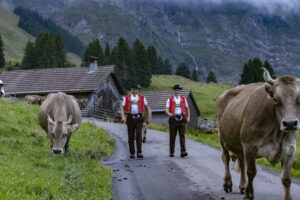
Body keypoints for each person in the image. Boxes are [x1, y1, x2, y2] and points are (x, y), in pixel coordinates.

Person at [121, 84, 151, 159]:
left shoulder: (142, 98)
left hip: (139, 118)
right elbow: (122, 107)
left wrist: (148, 118)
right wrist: (123, 117)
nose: (135, 91)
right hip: (130, 118)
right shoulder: (127, 98)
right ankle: (132, 153)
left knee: (138, 134)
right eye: (134, 89)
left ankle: (139, 152)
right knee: (130, 135)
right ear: (131, 90)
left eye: (136, 89)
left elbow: (147, 108)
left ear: (138, 90)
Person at [165, 84, 190, 157]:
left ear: (180, 91)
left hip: (182, 118)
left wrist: (188, 117)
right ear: (173, 91)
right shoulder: (169, 99)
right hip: (173, 119)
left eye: (178, 90)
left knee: (182, 135)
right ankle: (171, 151)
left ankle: (183, 151)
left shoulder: (183, 99)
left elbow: (187, 108)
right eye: (175, 90)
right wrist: (169, 113)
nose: (177, 91)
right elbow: (166, 109)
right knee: (172, 136)